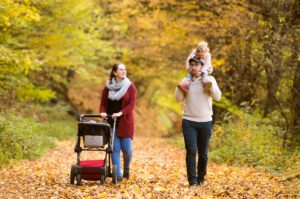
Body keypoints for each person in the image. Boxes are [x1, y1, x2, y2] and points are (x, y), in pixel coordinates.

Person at [175, 56, 221, 186]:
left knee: (203, 153)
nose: (194, 67)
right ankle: (192, 181)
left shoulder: (209, 80)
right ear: (189, 67)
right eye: (192, 65)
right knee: (191, 150)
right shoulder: (186, 81)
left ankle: (201, 178)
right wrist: (183, 84)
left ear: (202, 66)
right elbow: (177, 99)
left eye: (197, 65)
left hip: (205, 121)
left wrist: (208, 83)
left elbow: (217, 97)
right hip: (189, 121)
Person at [99, 63, 137, 182]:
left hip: (125, 121)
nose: (124, 71)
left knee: (127, 150)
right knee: (115, 148)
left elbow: (132, 104)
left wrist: (121, 113)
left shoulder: (130, 86)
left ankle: (126, 169)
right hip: (111, 121)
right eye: (121, 69)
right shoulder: (108, 86)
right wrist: (103, 112)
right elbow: (103, 104)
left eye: (125, 69)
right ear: (115, 72)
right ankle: (118, 175)